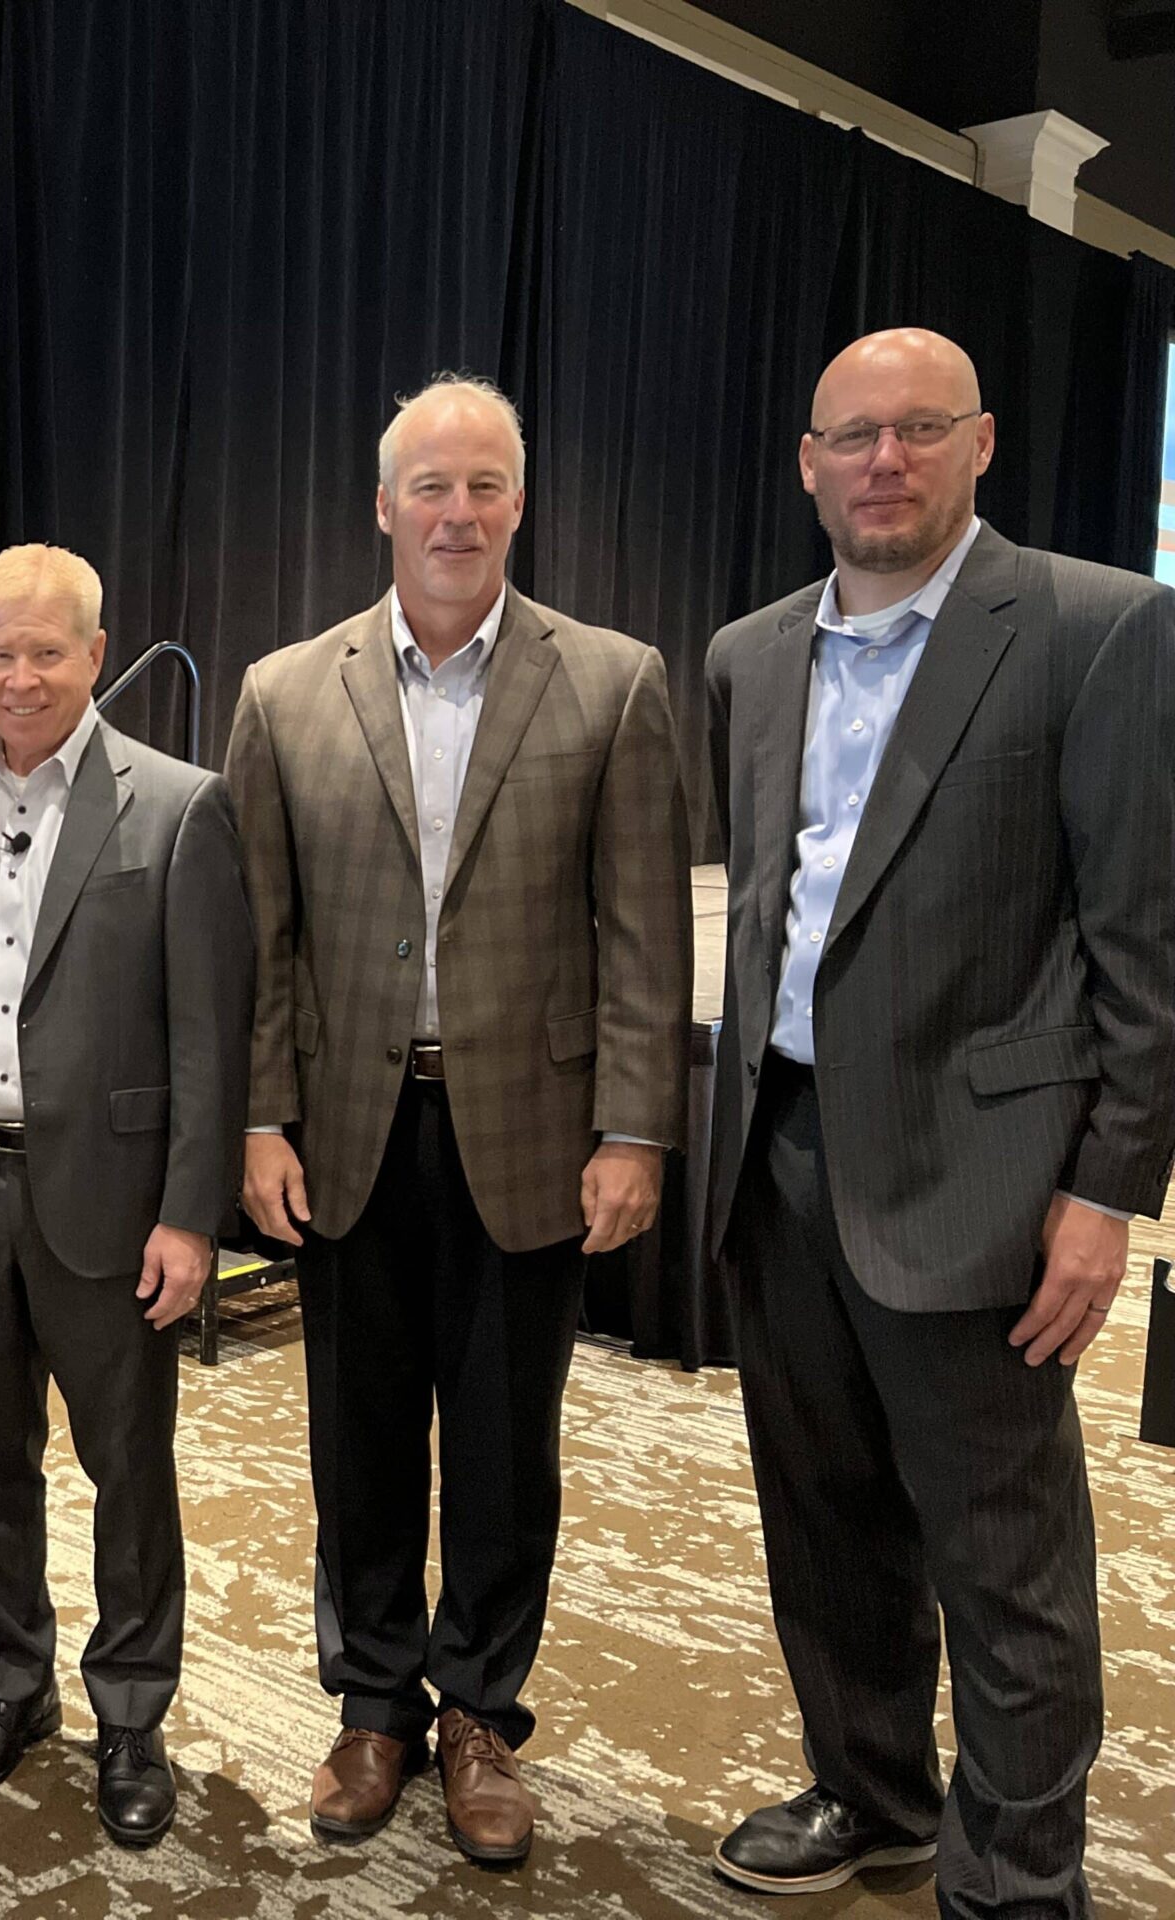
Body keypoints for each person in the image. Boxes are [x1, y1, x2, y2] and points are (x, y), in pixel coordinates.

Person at [702, 328, 1175, 1913]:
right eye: (854, 436)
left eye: (919, 429)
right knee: (824, 1521)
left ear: (979, 444)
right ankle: (873, 1792)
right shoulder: (750, 655)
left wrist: (1107, 1191)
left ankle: (1017, 1880)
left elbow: (1143, 943)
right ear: (809, 465)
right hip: (780, 1156)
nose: (885, 460)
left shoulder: (1097, 628)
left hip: (987, 1181)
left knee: (1004, 1560)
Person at [226, 375, 690, 1868]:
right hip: (345, 1133)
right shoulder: (284, 693)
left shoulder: (611, 682)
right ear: (383, 507)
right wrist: (260, 1118)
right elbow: (261, 940)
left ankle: (480, 1710)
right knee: (356, 1436)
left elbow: (643, 934)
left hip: (531, 1132)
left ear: (519, 503)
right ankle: (374, 1702)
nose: (457, 511)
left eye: (485, 484)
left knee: (503, 1447)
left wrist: (635, 1129)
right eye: (430, 485)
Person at [0, 542, 252, 1850]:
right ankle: (12, 1687)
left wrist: (191, 1215)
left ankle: (133, 1713)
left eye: (48, 651)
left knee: (126, 1470)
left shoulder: (179, 807)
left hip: (113, 1201)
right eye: (1, 652)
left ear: (96, 654)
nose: (23, 676)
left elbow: (211, 1035)